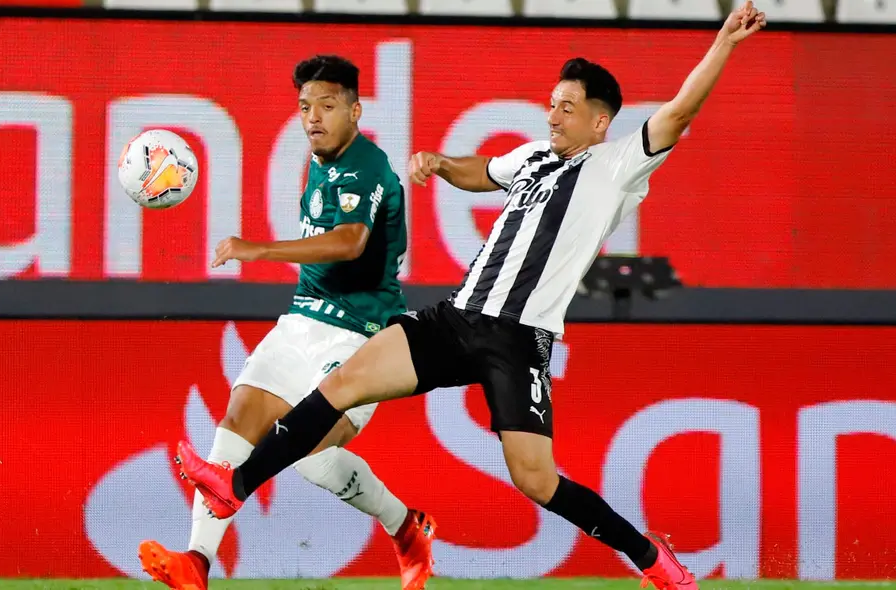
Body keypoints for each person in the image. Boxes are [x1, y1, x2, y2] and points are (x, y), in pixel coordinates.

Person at [175, 3, 767, 588]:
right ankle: (236, 486)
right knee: (341, 383)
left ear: (599, 122)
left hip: (517, 339)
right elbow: (481, 171)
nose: (553, 114)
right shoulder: (534, 157)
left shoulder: (615, 165)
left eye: (568, 106)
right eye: (552, 102)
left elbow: (681, 110)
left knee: (535, 479)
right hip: (455, 319)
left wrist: (724, 43)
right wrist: (440, 162)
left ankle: (651, 559)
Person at [140, 55, 436, 590]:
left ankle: (406, 528)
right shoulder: (320, 161)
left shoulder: (367, 164)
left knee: (312, 455)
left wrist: (257, 249)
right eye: (305, 107)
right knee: (238, 418)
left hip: (361, 336)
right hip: (302, 318)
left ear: (355, 109)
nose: (313, 117)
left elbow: (351, 242)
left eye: (327, 105)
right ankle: (196, 563)